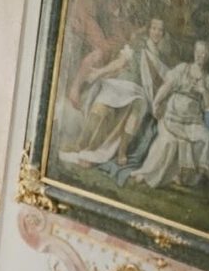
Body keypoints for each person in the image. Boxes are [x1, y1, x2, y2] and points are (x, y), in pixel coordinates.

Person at [60, 17, 175, 176]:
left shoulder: (161, 57)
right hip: (121, 84)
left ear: (163, 34)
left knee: (136, 110)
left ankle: (121, 150)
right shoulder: (137, 46)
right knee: (101, 107)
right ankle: (83, 145)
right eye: (154, 28)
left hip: (139, 92)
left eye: (160, 30)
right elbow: (120, 63)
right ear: (149, 30)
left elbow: (164, 82)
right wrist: (100, 72)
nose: (156, 32)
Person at [66, 0, 154, 108]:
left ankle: (89, 87)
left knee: (112, 47)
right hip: (83, 15)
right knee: (103, 50)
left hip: (91, 17)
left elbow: (113, 3)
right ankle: (74, 89)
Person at [130, 39, 209, 189]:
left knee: (206, 138)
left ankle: (184, 177)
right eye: (198, 52)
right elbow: (167, 86)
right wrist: (156, 102)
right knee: (168, 142)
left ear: (207, 56)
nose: (200, 56)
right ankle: (148, 174)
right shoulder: (183, 69)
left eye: (203, 53)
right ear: (194, 53)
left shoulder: (208, 79)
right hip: (172, 117)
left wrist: (204, 91)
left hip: (192, 122)